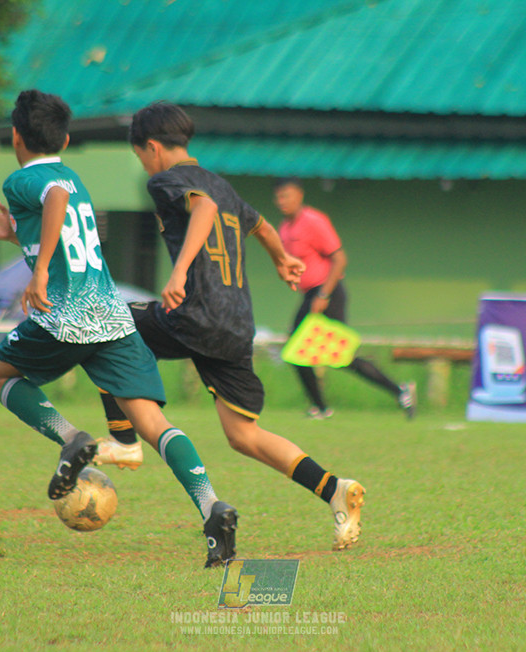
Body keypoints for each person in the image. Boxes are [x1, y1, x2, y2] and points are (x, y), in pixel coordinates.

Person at [0, 90, 236, 569]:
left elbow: (53, 201)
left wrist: (40, 271)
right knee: (154, 426)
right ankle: (213, 507)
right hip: (110, 315)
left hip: (64, 314)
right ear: (67, 139)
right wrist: (10, 233)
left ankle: (71, 437)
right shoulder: (74, 175)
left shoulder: (25, 180)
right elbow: (61, 214)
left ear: (15, 136)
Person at [94, 101, 365, 551]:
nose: (142, 164)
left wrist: (179, 272)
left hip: (195, 313)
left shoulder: (165, 181)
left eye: (140, 155)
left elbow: (201, 213)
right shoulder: (220, 182)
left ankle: (125, 440)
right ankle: (335, 489)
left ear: (153, 147)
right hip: (237, 324)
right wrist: (282, 258)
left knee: (107, 324)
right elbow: (259, 226)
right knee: (243, 435)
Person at [273, 177, 417, 420]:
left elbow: (339, 259)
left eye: (287, 195)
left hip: (328, 293)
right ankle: (322, 406)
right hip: (310, 295)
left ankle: (398, 391)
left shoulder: (314, 221)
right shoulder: (285, 229)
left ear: (299, 195)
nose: (282, 202)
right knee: (303, 352)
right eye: (278, 197)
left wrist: (324, 294)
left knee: (334, 354)